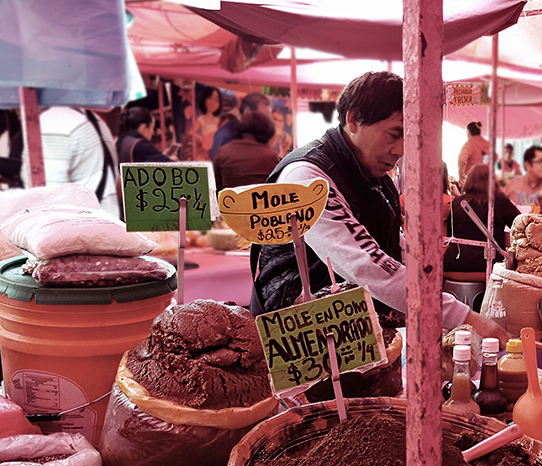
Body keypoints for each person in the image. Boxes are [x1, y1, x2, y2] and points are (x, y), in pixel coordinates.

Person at [250, 71, 508, 342]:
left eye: (407, 138)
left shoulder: (372, 176)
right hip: (297, 340)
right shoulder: (306, 178)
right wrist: (464, 316)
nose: (400, 150)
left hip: (349, 335)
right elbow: (366, 264)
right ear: (353, 120)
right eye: (394, 134)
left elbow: (389, 241)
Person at [22, 106, 121, 219]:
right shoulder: (95, 120)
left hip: (77, 229)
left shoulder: (52, 122)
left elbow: (48, 199)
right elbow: (113, 183)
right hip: (105, 224)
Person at [443, 165, 520, 275]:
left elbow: (452, 233)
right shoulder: (500, 201)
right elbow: (520, 224)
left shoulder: (456, 203)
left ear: (468, 181)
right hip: (487, 265)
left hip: (454, 263)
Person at [212, 111, 281, 191]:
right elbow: (276, 187)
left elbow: (216, 185)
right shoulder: (271, 155)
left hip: (230, 202)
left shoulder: (223, 151)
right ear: (267, 130)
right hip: (262, 202)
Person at [210, 92, 270, 160]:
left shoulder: (259, 135)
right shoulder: (226, 133)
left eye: (268, 116)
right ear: (247, 112)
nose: (267, 121)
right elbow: (216, 166)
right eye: (262, 116)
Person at [192, 86, 223, 160]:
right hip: (206, 148)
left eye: (216, 100)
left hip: (216, 147)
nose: (213, 102)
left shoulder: (218, 120)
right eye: (210, 98)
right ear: (204, 99)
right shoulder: (202, 118)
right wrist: (201, 138)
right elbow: (191, 132)